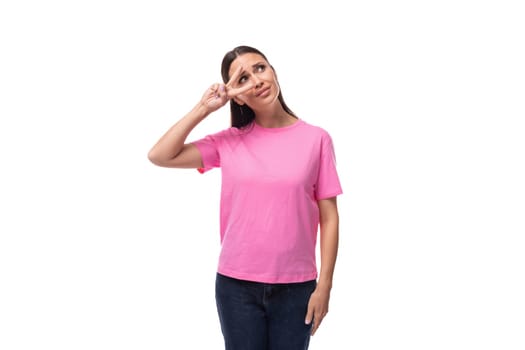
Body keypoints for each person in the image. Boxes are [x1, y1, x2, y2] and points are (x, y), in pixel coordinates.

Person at [148, 45, 343, 350]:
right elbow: (160, 155)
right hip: (236, 286)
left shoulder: (316, 139)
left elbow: (329, 216)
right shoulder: (228, 142)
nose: (256, 80)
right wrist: (204, 108)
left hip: (297, 287)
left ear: (274, 71)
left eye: (260, 68)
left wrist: (326, 286)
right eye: (242, 79)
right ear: (236, 96)